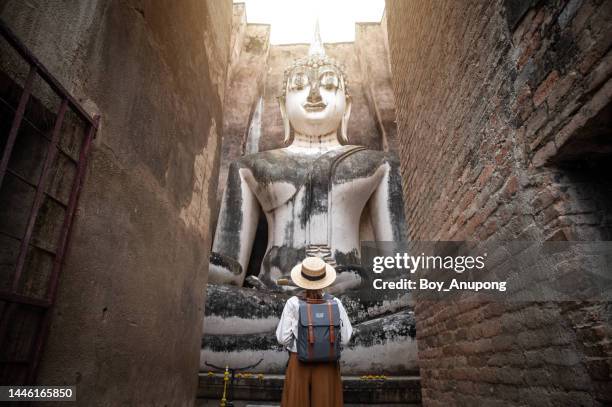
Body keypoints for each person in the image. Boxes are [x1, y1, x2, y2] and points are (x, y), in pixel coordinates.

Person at [276, 257, 353, 407]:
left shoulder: (293, 303)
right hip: (328, 362)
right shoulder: (335, 303)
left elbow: (282, 338)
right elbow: (345, 338)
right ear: (324, 279)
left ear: (301, 279)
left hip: (299, 360)